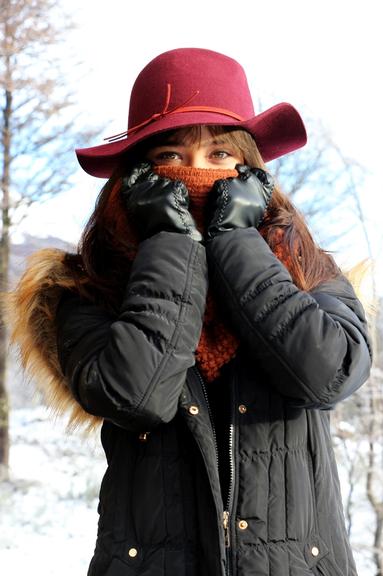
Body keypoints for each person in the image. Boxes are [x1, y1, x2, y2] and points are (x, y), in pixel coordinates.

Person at [8, 47, 372, 576]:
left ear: (252, 174)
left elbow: (325, 373)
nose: (198, 175)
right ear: (137, 180)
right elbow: (137, 394)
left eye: (221, 156)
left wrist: (233, 241)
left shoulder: (308, 271)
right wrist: (174, 242)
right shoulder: (85, 287)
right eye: (172, 158)